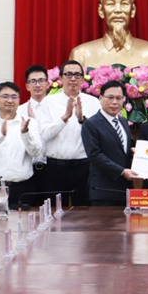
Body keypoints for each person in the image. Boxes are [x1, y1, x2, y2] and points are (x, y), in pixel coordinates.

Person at [37, 60, 100, 206]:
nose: (73, 78)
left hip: (84, 166)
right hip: (55, 167)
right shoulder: (48, 102)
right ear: (60, 78)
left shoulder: (93, 102)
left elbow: (97, 136)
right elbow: (44, 135)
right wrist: (64, 118)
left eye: (77, 75)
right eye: (68, 74)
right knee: (55, 212)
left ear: (83, 79)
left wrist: (82, 120)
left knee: (84, 212)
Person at [0, 82, 43, 209]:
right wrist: (0, 136)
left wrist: (25, 134)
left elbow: (37, 152)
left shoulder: (29, 122)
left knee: (24, 221)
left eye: (14, 97)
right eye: (5, 96)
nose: (9, 100)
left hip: (22, 187)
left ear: (19, 100)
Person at [69, 0, 148, 68]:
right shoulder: (81, 55)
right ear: (101, 11)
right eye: (110, 4)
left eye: (124, 3)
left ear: (133, 10)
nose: (118, 10)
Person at [82, 80, 139, 205]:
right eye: (110, 97)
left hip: (125, 189)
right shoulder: (91, 124)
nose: (114, 102)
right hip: (104, 191)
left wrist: (135, 151)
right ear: (100, 98)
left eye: (119, 98)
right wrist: (121, 171)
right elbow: (94, 155)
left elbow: (125, 146)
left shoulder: (123, 121)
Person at [17, 65, 50, 200]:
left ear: (47, 84)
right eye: (33, 81)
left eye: (41, 80)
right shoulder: (19, 111)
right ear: (27, 86)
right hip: (27, 168)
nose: (37, 85)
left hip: (51, 168)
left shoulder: (55, 108)